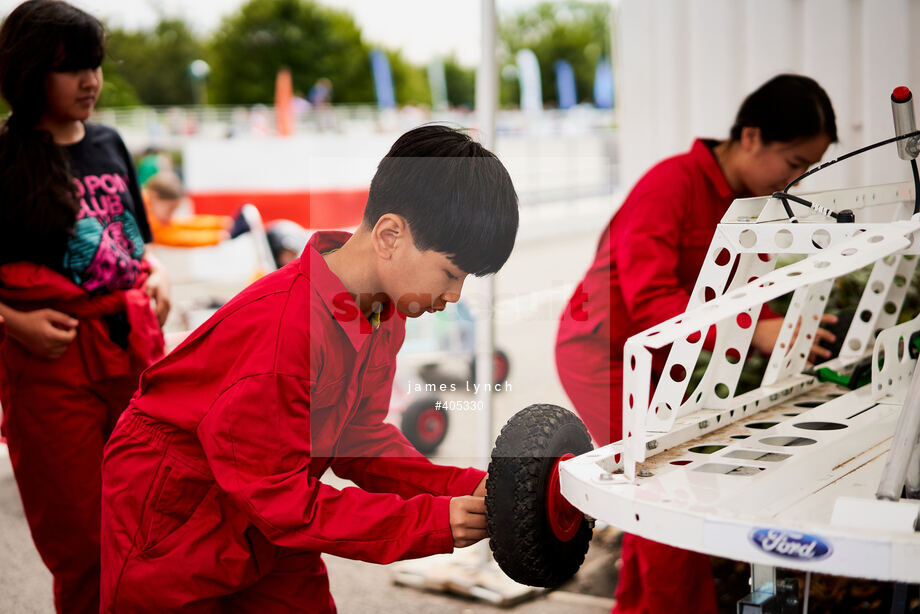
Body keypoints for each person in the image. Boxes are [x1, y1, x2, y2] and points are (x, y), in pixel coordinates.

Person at [100, 125, 520, 612]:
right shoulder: (284, 329)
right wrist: (432, 522)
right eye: (450, 273)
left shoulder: (384, 311)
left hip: (269, 499)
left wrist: (461, 487)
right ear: (389, 235)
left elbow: (357, 437)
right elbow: (280, 501)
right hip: (176, 516)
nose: (454, 296)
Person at [555, 74, 838, 614]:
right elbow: (649, 299)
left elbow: (751, 290)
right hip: (604, 353)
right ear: (751, 137)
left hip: (666, 355)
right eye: (795, 162)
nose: (796, 181)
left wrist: (784, 327)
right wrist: (755, 332)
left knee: (654, 495)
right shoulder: (672, 183)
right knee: (664, 502)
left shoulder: (749, 202)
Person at [0, 1, 170, 612]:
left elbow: (132, 240)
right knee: (81, 542)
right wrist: (11, 319)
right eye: (70, 67)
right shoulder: (6, 156)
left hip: (134, 357)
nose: (90, 81)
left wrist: (156, 277)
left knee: (156, 525)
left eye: (94, 65)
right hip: (49, 370)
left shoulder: (108, 142)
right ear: (27, 72)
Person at [144, 170, 232, 247]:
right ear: (154, 197)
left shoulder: (148, 210)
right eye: (170, 209)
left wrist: (220, 223)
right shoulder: (147, 223)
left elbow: (183, 223)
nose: (170, 216)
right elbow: (178, 237)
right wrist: (216, 236)